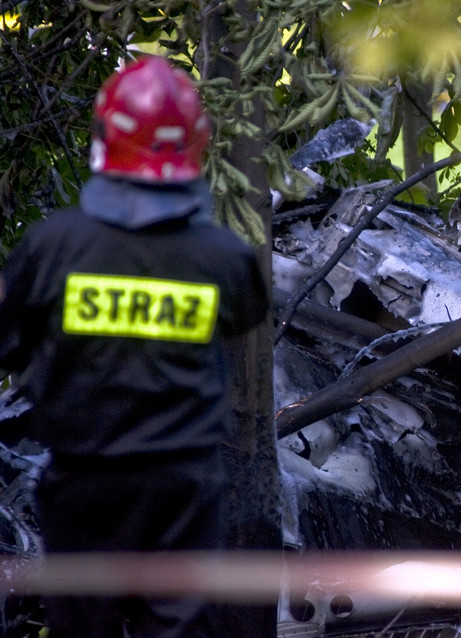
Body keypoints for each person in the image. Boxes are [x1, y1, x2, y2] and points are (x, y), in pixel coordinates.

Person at [0, 55, 269, 637]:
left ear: (105, 137)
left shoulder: (54, 247)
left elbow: (7, 341)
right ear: (197, 147)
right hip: (184, 490)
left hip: (83, 484)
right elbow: (245, 315)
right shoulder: (224, 257)